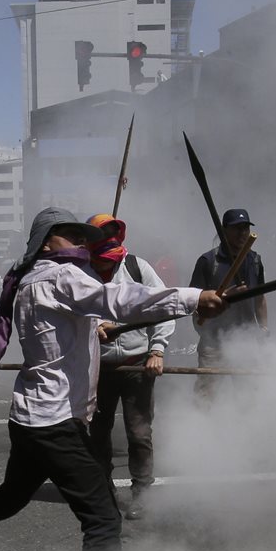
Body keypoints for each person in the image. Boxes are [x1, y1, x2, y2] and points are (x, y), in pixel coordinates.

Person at [0, 207, 227, 551]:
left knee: (9, 499)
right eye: (73, 234)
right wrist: (193, 298)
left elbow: (65, 324)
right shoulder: (59, 275)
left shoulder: (32, 279)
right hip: (54, 421)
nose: (82, 242)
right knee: (103, 517)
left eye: (82, 235)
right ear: (48, 240)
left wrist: (91, 329)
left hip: (31, 418)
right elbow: (117, 298)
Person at [86, 213, 173, 521]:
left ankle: (143, 493)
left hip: (138, 365)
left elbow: (163, 307)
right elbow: (69, 313)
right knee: (98, 432)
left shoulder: (138, 267)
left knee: (139, 433)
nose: (106, 267)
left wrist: (157, 350)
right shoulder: (80, 274)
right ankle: (103, 490)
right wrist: (92, 327)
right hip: (99, 368)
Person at [188, 208, 268, 402]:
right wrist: (225, 296)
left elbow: (260, 298)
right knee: (206, 395)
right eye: (236, 228)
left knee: (249, 396)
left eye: (245, 228)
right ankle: (201, 429)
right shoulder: (208, 261)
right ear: (224, 231)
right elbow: (193, 299)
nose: (242, 233)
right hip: (213, 343)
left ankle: (245, 430)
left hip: (246, 341)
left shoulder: (254, 261)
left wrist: (264, 327)